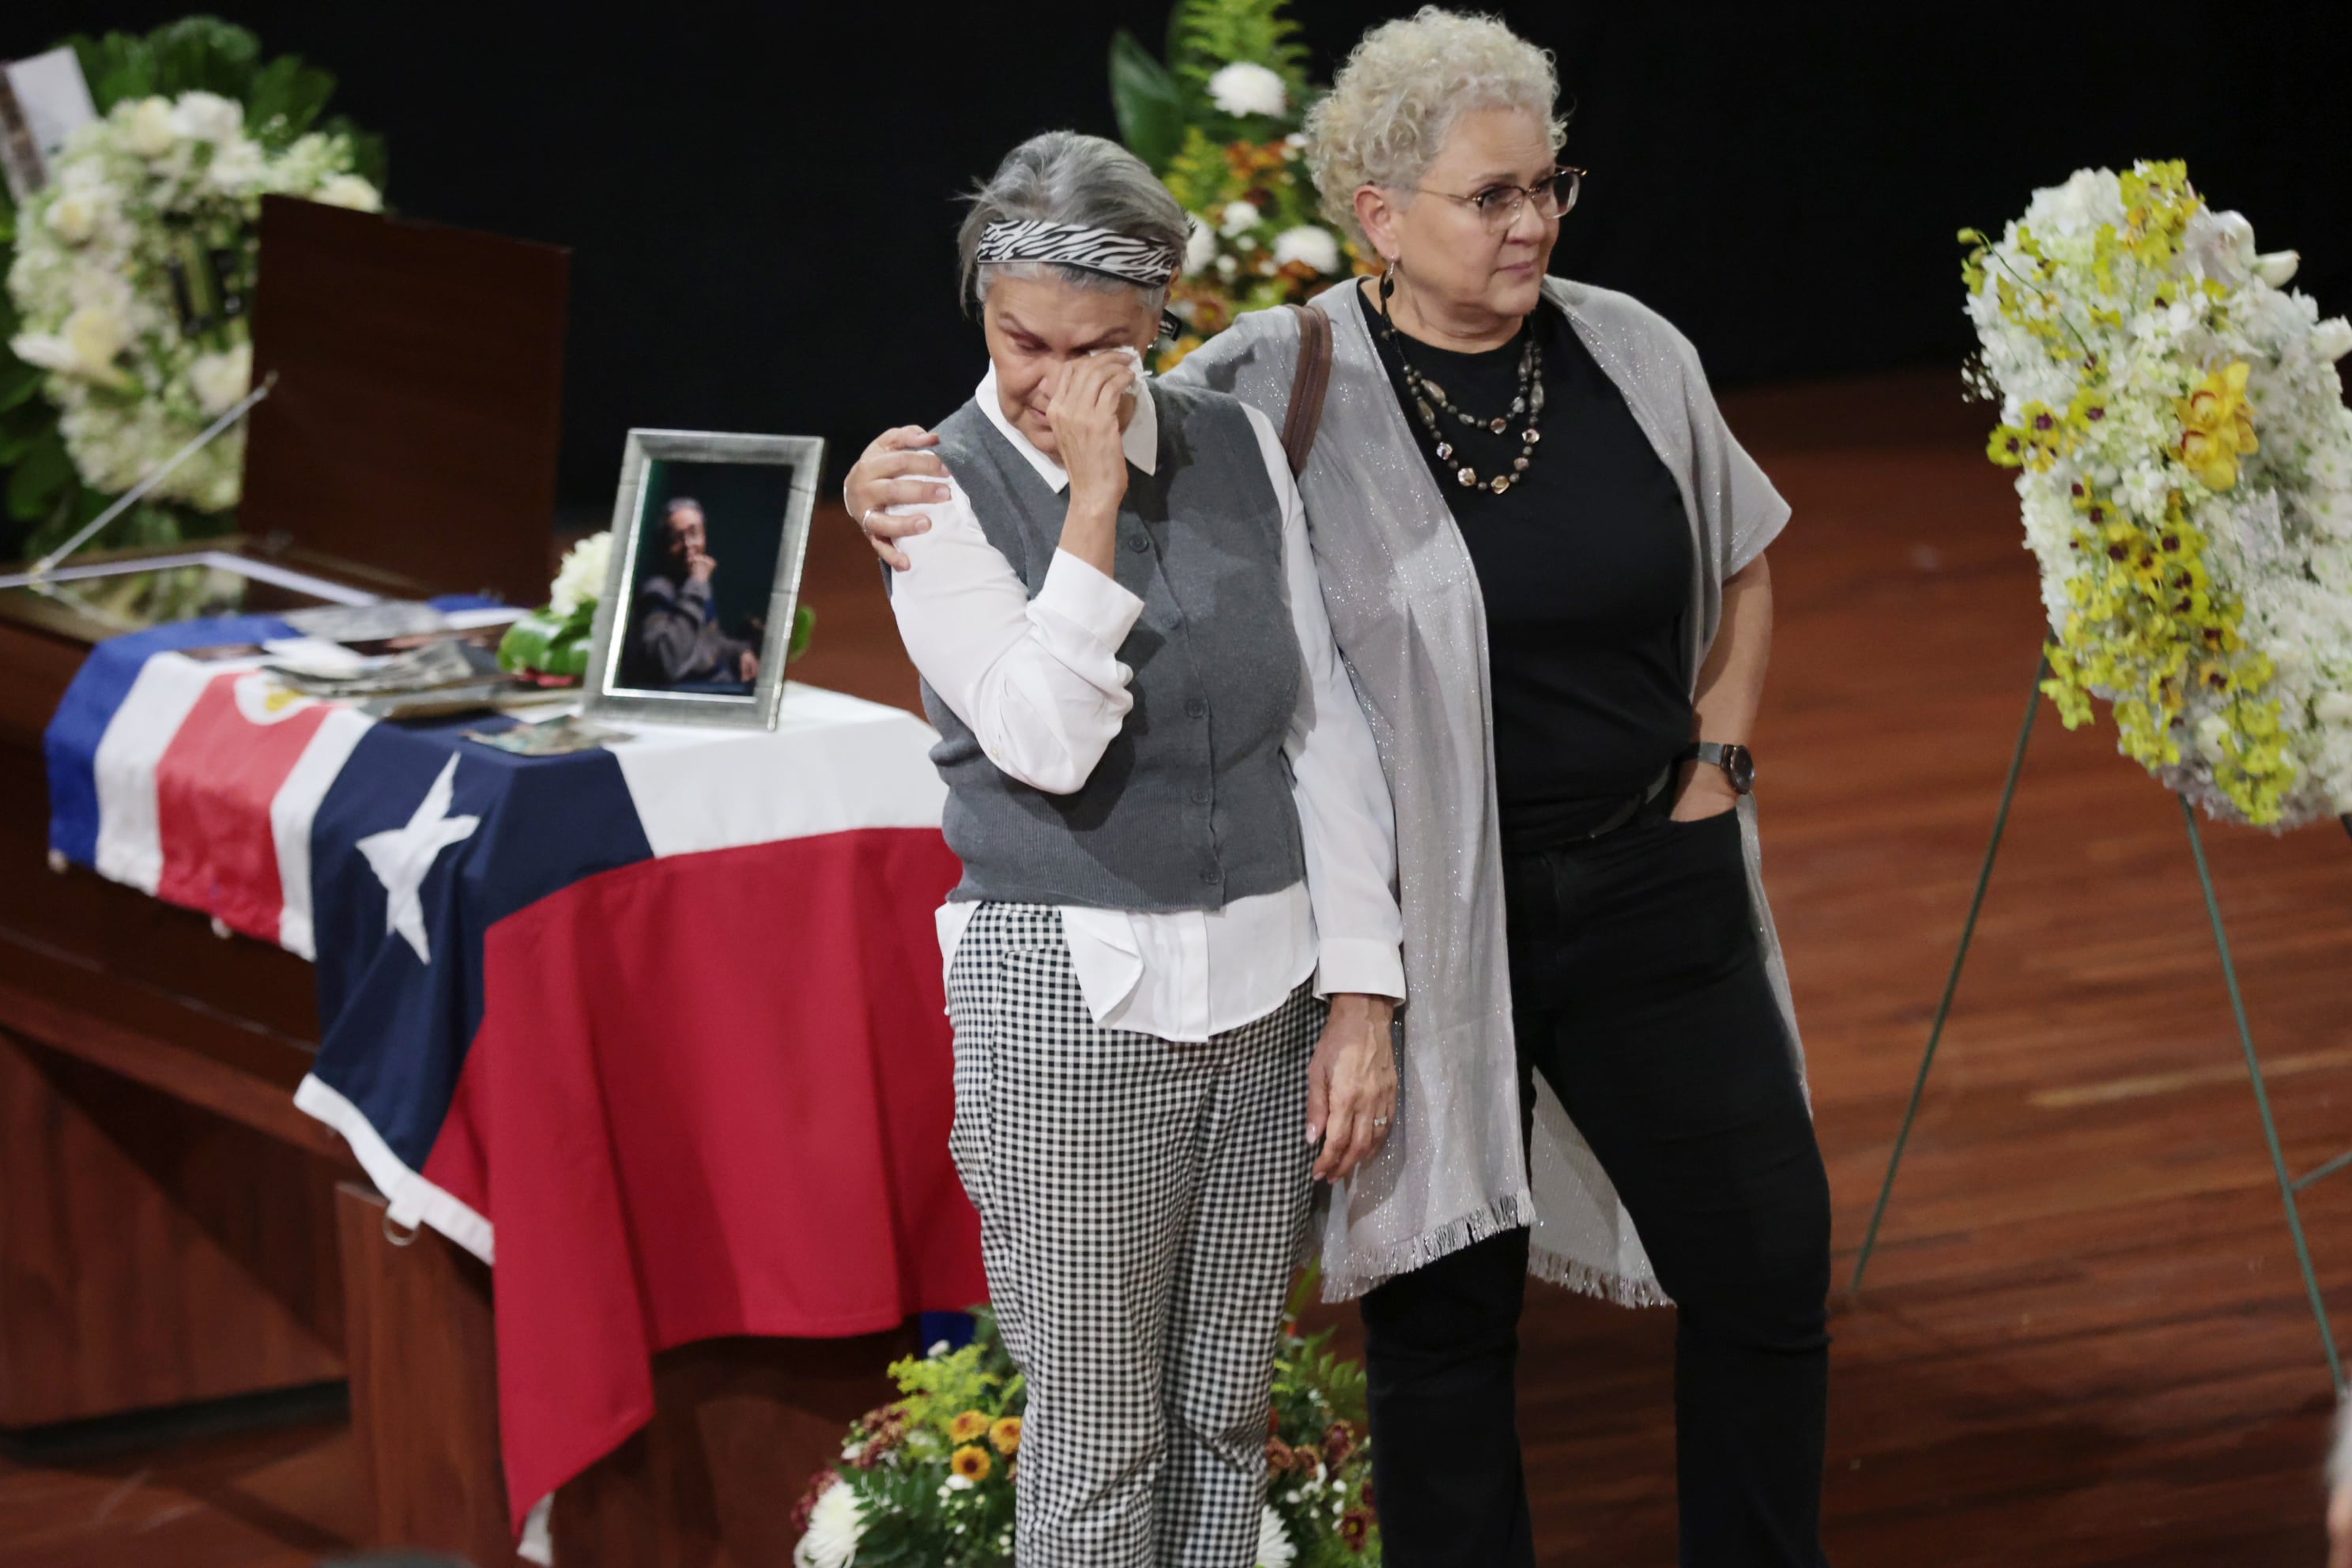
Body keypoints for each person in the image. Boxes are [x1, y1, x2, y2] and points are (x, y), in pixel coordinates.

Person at [846, 11, 1830, 1566]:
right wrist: (1005, 484)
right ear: (1378, 213)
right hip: (1275, 942)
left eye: (1546, 186)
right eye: (1491, 195)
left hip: (1518, 914)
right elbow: (1041, 661)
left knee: (1751, 1264)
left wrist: (1709, 761)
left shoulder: (1572, 362)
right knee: (1313, 1353)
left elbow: (1354, 715)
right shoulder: (1224, 395)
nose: (1532, 222)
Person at [885, 130, 1407, 1568]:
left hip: (1268, 991)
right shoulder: (932, 492)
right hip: (1071, 1002)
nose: (1049, 383)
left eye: (1097, 348)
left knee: (1225, 1418)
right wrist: (1094, 501)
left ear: (1161, 317)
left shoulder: (1235, 445)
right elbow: (1045, 738)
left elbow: (1321, 729)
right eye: (1018, 340)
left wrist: (1361, 992)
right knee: (1101, 1442)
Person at [626, 496, 760, 689]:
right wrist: (697, 586)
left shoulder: (693, 583)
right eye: (676, 539)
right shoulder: (656, 591)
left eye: (694, 533)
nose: (689, 545)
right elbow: (668, 662)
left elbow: (706, 644)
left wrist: (739, 652)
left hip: (718, 682)